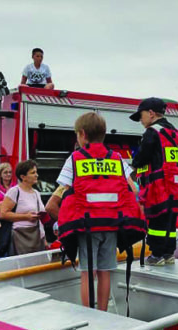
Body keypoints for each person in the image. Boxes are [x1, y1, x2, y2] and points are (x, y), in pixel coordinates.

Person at [56, 112, 145, 310]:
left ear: (82, 134)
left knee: (88, 272)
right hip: (113, 224)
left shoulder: (75, 158)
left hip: (87, 226)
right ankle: (103, 312)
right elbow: (133, 189)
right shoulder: (116, 158)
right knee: (105, 271)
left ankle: (90, 314)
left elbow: (64, 190)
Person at [130, 97, 178, 266]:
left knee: (156, 222)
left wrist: (135, 162)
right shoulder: (174, 132)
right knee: (170, 222)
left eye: (141, 116)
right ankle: (169, 253)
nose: (141, 120)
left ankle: (156, 254)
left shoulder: (152, 132)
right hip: (175, 186)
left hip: (158, 187)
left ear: (151, 113)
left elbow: (142, 157)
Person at [0, 160, 47, 255]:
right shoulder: (14, 191)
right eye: (33, 173)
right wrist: (26, 217)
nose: (36, 175)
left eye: (36, 172)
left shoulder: (36, 193)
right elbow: (3, 214)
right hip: (20, 235)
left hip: (36, 235)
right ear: (23, 177)